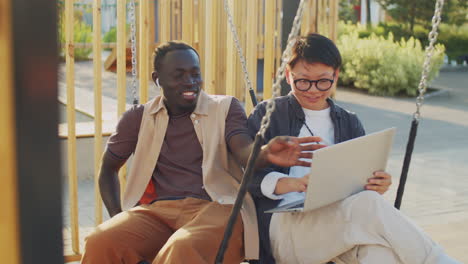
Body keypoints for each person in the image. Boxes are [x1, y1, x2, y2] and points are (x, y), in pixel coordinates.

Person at [81, 41, 322, 264]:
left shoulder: (225, 108)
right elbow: (108, 169)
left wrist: (265, 153)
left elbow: (244, 151)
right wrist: (116, 217)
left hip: (218, 207)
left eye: (195, 74)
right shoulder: (138, 118)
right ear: (158, 79)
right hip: (157, 211)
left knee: (183, 247)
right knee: (100, 241)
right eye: (179, 75)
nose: (191, 82)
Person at [247, 33, 459, 264]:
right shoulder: (268, 114)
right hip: (284, 229)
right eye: (303, 80)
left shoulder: (348, 122)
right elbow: (243, 174)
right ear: (288, 75)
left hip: (338, 225)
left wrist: (376, 184)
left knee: (381, 253)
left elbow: (358, 188)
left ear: (336, 75)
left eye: (323, 81)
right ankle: (439, 261)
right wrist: (292, 184)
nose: (313, 89)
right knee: (368, 205)